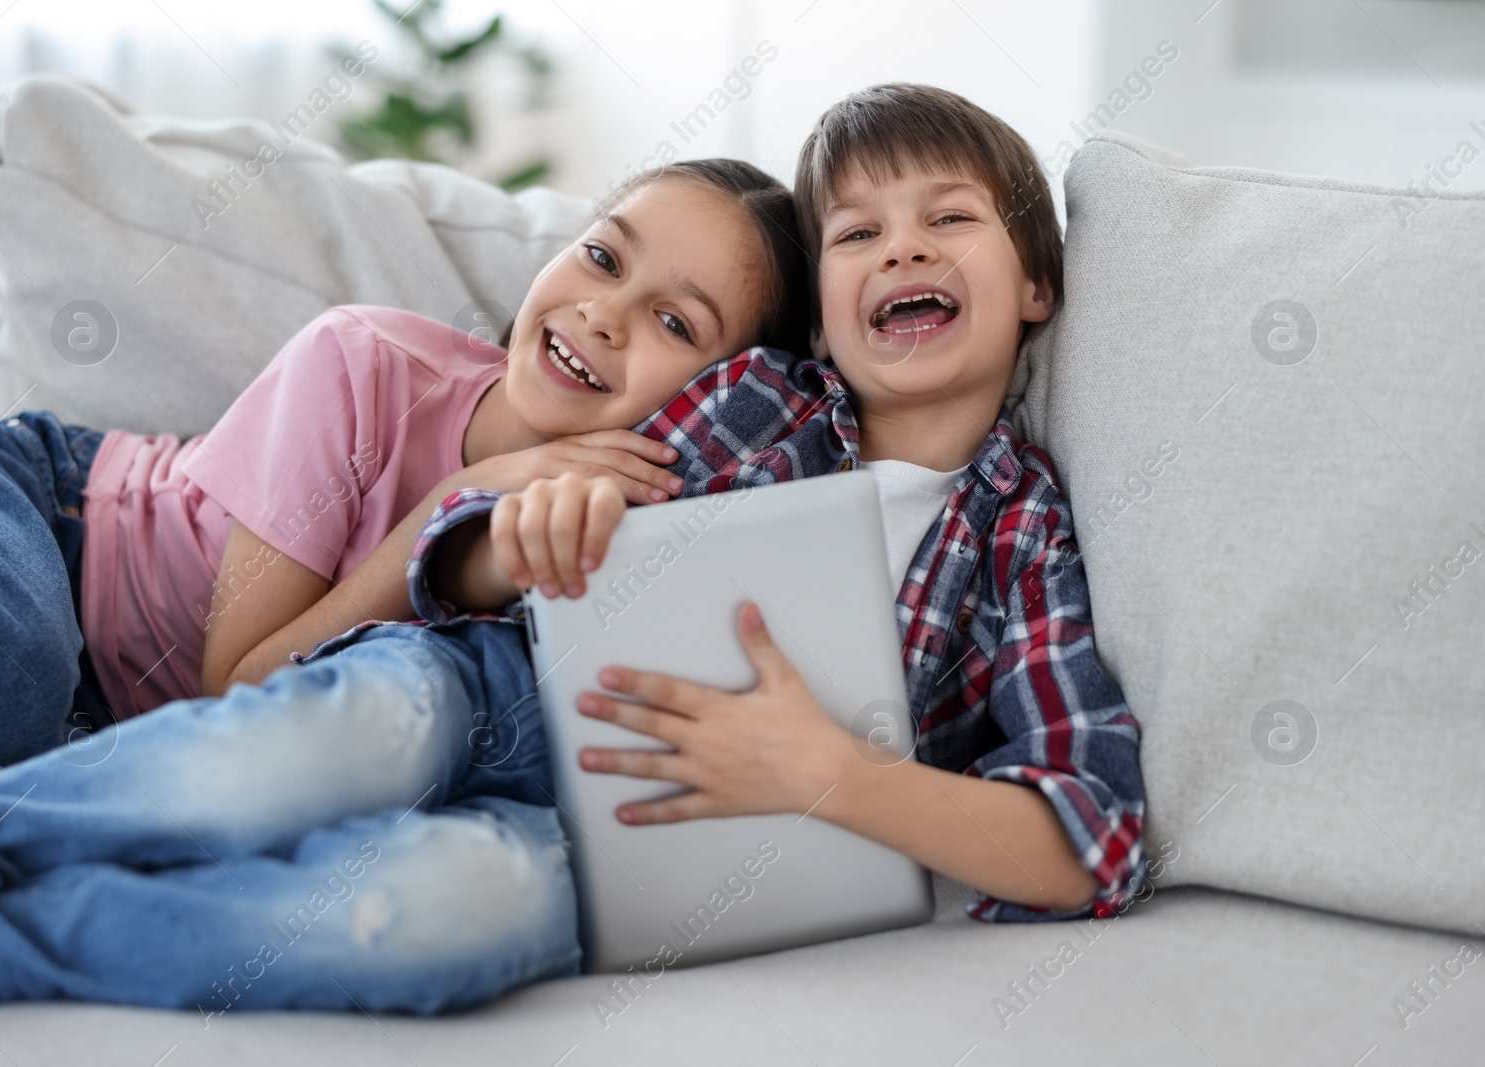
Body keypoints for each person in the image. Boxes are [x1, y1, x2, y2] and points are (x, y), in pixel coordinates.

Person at [0, 163, 820, 1012]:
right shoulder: (364, 362)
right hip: (37, 513)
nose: (604, 313)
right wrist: (445, 512)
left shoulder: (617, 551)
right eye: (604, 257)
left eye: (674, 322)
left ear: (722, 394)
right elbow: (240, 687)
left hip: (87, 720)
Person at [420, 83, 1148, 922]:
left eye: (948, 219)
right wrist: (513, 543)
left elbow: (1096, 845)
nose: (903, 249)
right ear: (819, 323)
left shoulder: (1025, 538)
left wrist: (834, 774)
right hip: (487, 687)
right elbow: (462, 565)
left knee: (414, 921)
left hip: (624, 858)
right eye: (858, 233)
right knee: (302, 758)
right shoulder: (749, 398)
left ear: (1037, 284)